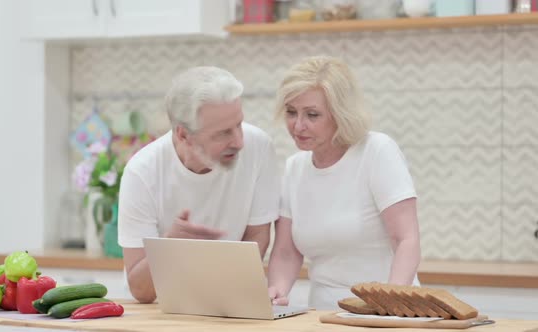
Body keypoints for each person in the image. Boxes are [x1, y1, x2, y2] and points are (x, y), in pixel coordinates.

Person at [267, 56, 421, 310]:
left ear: (340, 114)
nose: (298, 125)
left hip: (388, 308)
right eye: (291, 112)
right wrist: (276, 292)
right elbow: (286, 252)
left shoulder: (376, 151)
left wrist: (391, 304)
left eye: (312, 115)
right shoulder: (295, 168)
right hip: (324, 314)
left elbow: (406, 239)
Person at [118, 66, 280, 303]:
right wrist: (171, 246)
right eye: (223, 133)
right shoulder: (142, 172)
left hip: (229, 302)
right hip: (158, 311)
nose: (239, 141)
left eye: (239, 125)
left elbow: (257, 234)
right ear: (183, 135)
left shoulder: (259, 147)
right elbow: (140, 291)